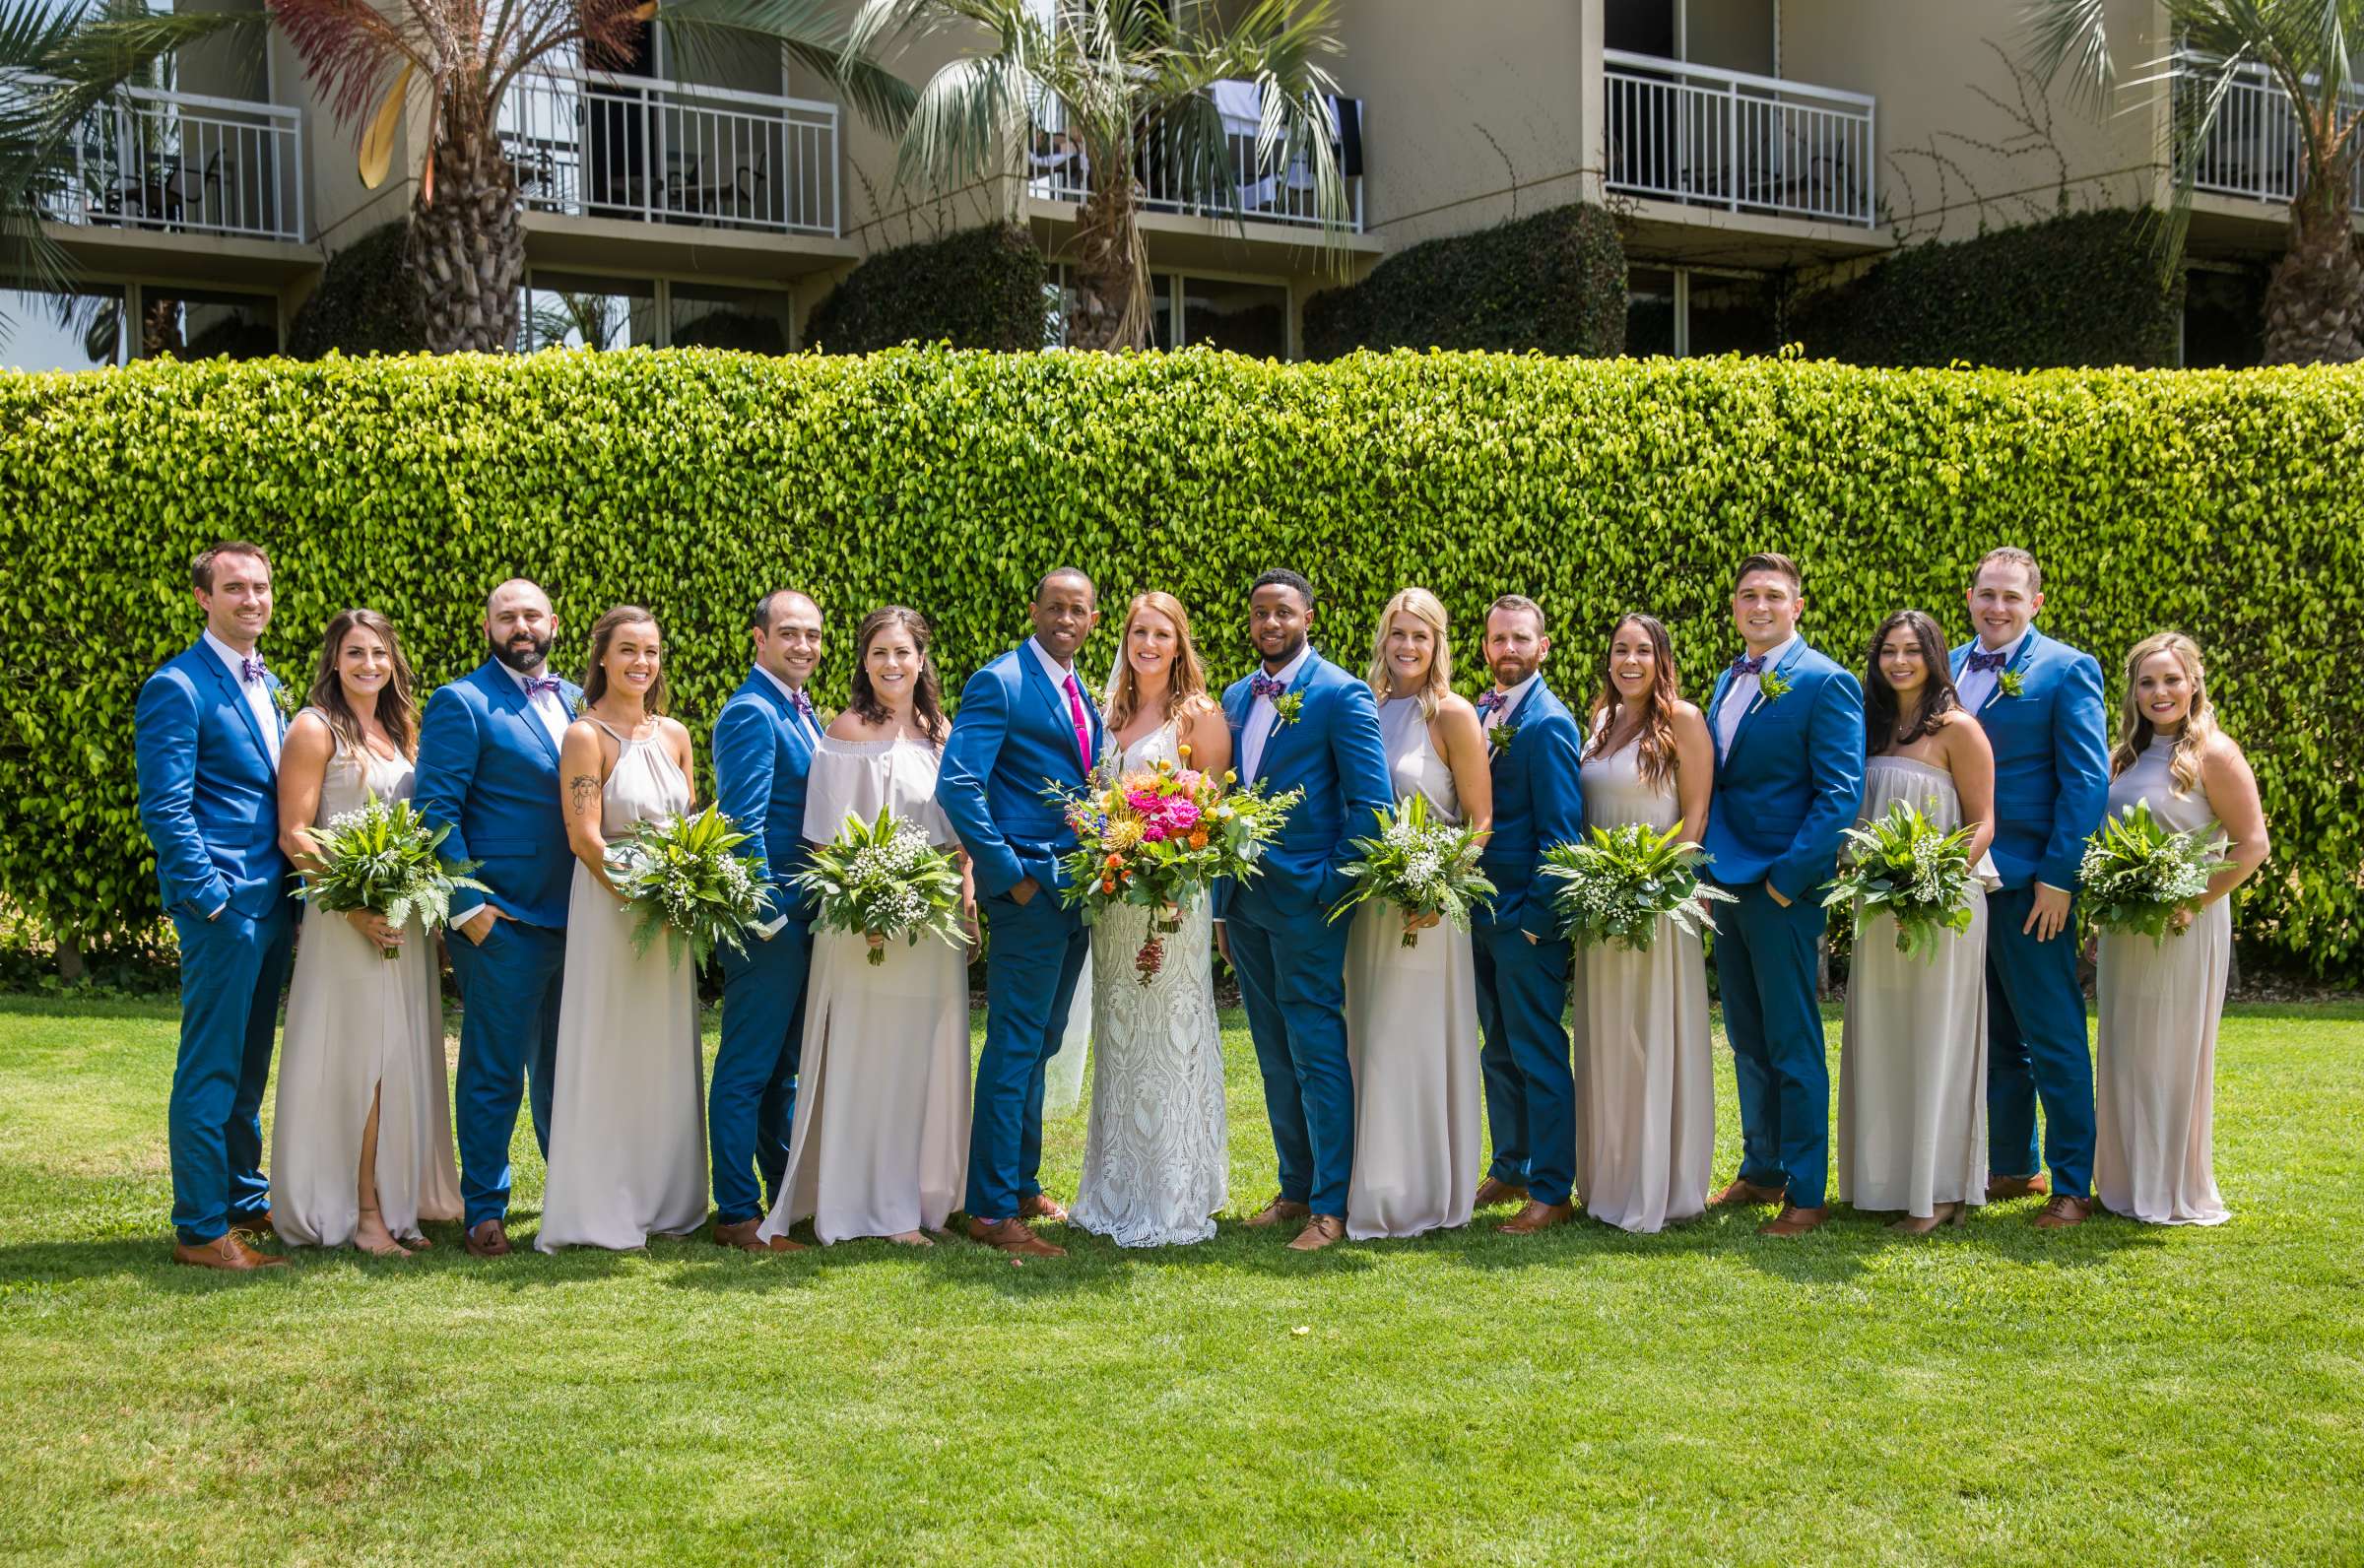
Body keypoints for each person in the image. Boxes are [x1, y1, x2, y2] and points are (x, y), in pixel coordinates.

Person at [760, 608, 974, 1247]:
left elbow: (959, 827)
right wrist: (869, 904)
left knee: (920, 1061)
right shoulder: (846, 730)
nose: (891, 664)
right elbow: (825, 840)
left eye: (903, 652)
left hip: (932, 923)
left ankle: (919, 1195)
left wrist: (964, 891)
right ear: (864, 661)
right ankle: (870, 1208)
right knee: (871, 1059)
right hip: (863, 925)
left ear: (921, 659)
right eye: (879, 652)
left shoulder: (942, 730)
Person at [271, 608, 462, 1257]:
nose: (369, 666)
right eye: (355, 653)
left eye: (379, 654)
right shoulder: (313, 728)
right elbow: (295, 834)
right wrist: (353, 907)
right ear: (333, 660)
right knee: (361, 1065)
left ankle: (394, 1200)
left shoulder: (400, 732)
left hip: (401, 923)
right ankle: (360, 1213)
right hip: (344, 920)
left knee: (399, 1062)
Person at [1216, 569, 1393, 1254]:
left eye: (1283, 613)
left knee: (1318, 1050)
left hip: (1308, 903)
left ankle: (1331, 1206)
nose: (1270, 624)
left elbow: (1371, 806)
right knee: (1271, 1051)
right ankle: (1294, 1188)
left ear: (1309, 618)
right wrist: (1223, 910)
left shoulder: (1340, 694)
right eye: (1260, 613)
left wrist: (1327, 886)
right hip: (1247, 903)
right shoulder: (1236, 697)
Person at [134, 541, 296, 1271]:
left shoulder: (270, 682)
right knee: (210, 1068)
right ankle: (201, 1229)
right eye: (235, 589)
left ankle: (242, 1196)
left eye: (260, 587)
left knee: (250, 1063)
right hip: (225, 910)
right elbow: (167, 810)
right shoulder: (178, 686)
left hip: (274, 905)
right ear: (204, 598)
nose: (252, 600)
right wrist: (210, 900)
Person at [939, 570, 1103, 1261]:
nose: (1066, 618)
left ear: (1092, 620)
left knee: (1041, 1043)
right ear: (1033, 610)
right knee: (1012, 1049)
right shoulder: (1000, 681)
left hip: (1075, 896)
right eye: (1055, 606)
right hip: (1031, 898)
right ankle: (991, 1210)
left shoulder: (1077, 689)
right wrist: (1011, 877)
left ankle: (1024, 1183)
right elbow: (958, 781)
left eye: (1079, 609)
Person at [415, 579, 581, 1259]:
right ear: (487, 626)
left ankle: (572, 1196)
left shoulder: (579, 699)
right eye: (506, 615)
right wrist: (465, 906)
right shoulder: (461, 702)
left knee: (567, 1069)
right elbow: (435, 809)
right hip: (502, 919)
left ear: (554, 623)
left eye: (531, 614)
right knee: (494, 1069)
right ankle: (485, 1208)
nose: (520, 624)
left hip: (578, 917)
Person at [1702, 553, 1865, 1238]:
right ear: (1735, 607)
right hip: (1727, 883)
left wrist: (1784, 880)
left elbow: (1838, 796)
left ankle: (1805, 1188)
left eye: (1773, 595)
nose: (1759, 606)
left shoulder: (1827, 683)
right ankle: (1762, 1166)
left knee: (1793, 1040)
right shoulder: (1724, 680)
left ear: (1798, 606)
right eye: (1747, 596)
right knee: (1746, 1034)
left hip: (1782, 890)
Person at [1949, 547, 2110, 1229]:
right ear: (1970, 596)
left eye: (2012, 597)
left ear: (2036, 603)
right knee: (1992, 1038)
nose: (1997, 607)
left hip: (2028, 883)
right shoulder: (1947, 665)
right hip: (1958, 885)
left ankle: (2074, 1184)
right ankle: (2013, 1165)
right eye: (1987, 594)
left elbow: (2085, 782)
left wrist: (2058, 879)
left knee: (2054, 1036)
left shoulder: (2067, 669)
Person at [538, 608, 707, 1252]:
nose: (641, 662)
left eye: (652, 651)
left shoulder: (676, 735)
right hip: (613, 910)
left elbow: (691, 828)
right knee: (609, 1045)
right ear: (602, 658)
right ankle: (603, 1202)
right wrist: (644, 898)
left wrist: (687, 891)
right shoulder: (586, 735)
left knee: (662, 1051)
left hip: (670, 914)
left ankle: (665, 1197)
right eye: (628, 650)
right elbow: (584, 838)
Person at [1069, 593, 1233, 1247]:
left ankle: (1173, 1190)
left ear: (1179, 643)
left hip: (1172, 897)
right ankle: (1118, 1185)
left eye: (1162, 633)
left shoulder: (1199, 715)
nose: (1148, 643)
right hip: (1114, 900)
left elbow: (1209, 821)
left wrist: (1166, 894)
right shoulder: (1109, 714)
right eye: (1139, 631)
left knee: (1170, 1034)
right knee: (1121, 1038)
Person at [2093, 633, 2268, 1226]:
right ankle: (2122, 1186)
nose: (2159, 692)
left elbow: (2252, 845)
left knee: (2169, 1053)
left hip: (2185, 927)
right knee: (2123, 1050)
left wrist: (2191, 902)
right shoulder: (2123, 757)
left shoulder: (2214, 753)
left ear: (2193, 683)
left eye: (2171, 680)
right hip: (2126, 930)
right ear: (2133, 692)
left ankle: (2170, 1189)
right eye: (2147, 682)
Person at [1836, 611, 1998, 1234]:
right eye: (1888, 651)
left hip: (1943, 907)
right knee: (1884, 1040)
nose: (1899, 662)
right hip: (1879, 907)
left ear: (1935, 657)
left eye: (1912, 651)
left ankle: (1941, 1192)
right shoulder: (1872, 728)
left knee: (1939, 1042)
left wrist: (1929, 880)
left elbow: (1983, 822)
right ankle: (1883, 1181)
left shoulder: (1960, 728)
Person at [1343, 588, 1491, 1240]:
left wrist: (1434, 884)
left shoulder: (1452, 714)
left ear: (1438, 645)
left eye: (1420, 636)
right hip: (1370, 904)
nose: (1407, 647)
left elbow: (1481, 820)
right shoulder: (1365, 707)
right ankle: (1372, 1183)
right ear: (1385, 639)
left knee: (1413, 1044)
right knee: (1370, 1040)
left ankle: (1426, 1189)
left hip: (1429, 909)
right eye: (1398, 634)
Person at [1570, 613, 1714, 1235]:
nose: (1630, 661)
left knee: (1654, 1033)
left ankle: (1662, 1179)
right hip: (1599, 906)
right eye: (1620, 650)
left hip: (1658, 902)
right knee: (1605, 1037)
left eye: (1643, 651)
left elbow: (1697, 813)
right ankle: (1609, 1176)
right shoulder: (1599, 723)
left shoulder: (1681, 720)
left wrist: (1654, 881)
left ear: (1662, 660)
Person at [707, 589, 824, 1253]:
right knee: (748, 1067)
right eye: (788, 633)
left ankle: (778, 1200)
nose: (802, 646)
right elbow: (741, 826)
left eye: (811, 634)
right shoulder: (751, 713)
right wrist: (769, 918)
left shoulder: (803, 712)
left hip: (805, 914)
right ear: (759, 639)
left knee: (784, 1070)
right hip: (770, 920)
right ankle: (735, 1212)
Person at [1469, 594, 1588, 1236]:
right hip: (1480, 914)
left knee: (1539, 1051)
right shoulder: (1481, 710)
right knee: (1499, 1049)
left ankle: (1551, 1188)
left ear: (1543, 647)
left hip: (1523, 919)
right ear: (1484, 647)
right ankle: (1511, 1164)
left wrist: (1536, 920)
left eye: (1520, 639)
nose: (1507, 650)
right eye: (1497, 639)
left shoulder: (1548, 722)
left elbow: (1562, 832)